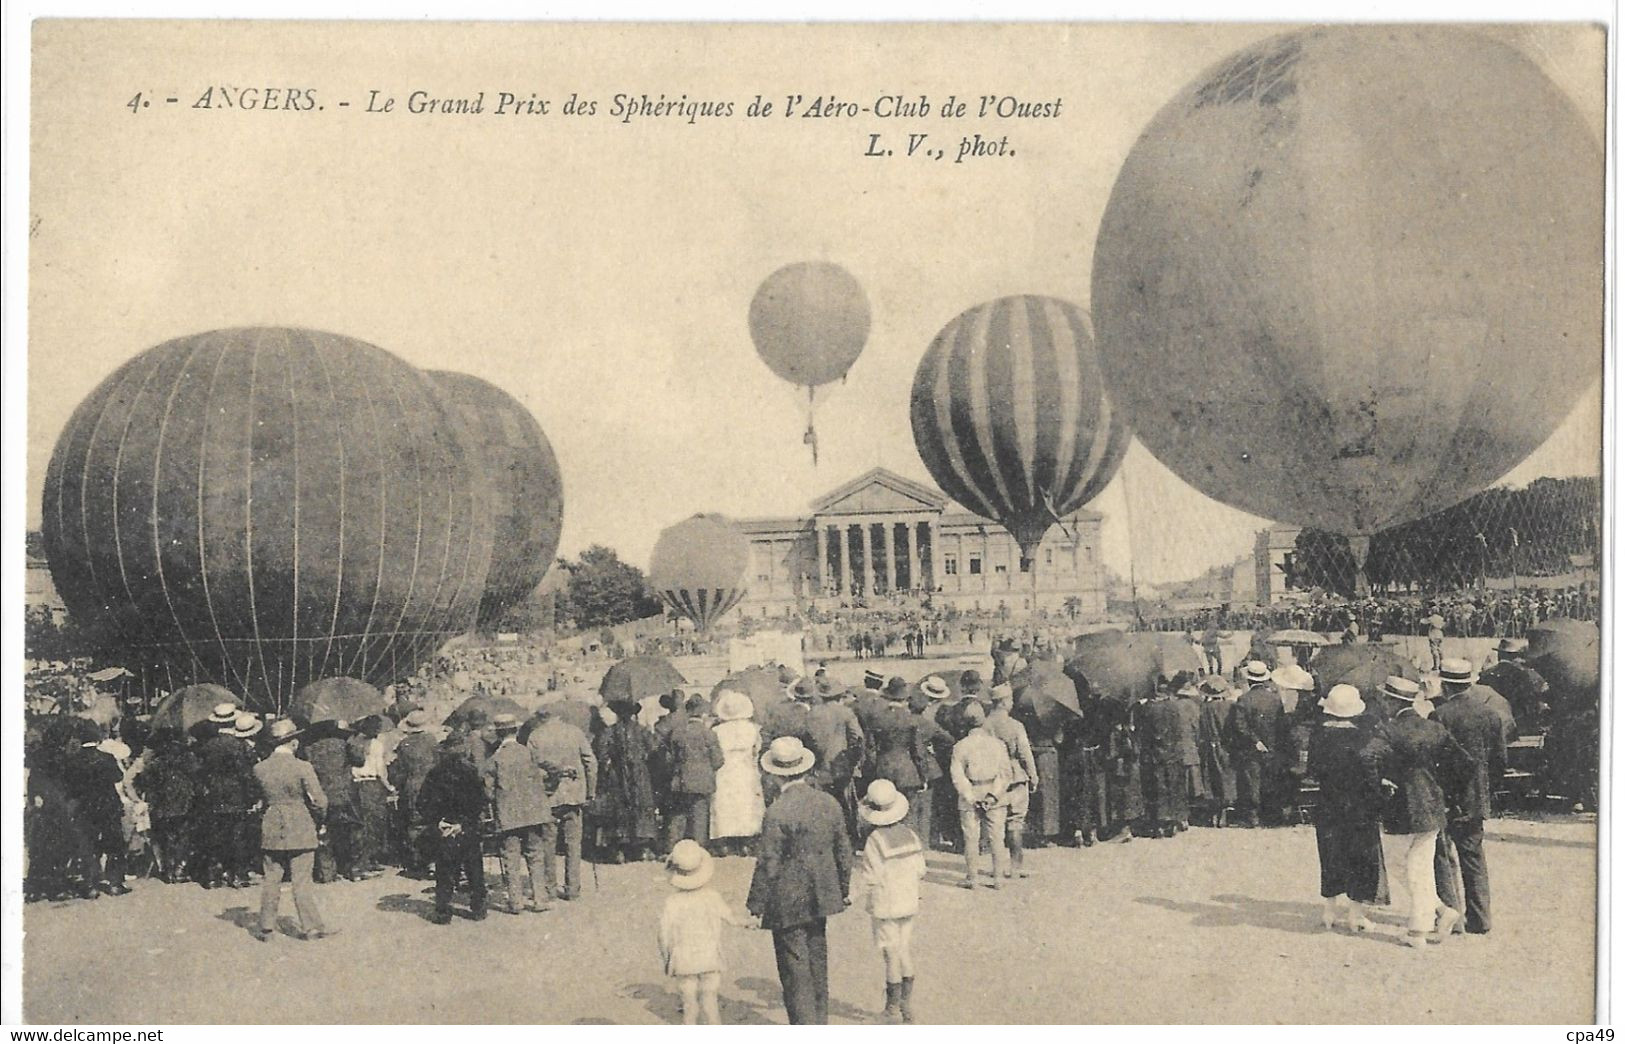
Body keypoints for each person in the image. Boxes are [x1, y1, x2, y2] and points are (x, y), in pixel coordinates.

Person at [747, 737, 852, 1025]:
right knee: (818, 958)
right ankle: (819, 1022)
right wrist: (843, 889)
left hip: (787, 899)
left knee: (795, 967)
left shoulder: (777, 811)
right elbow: (844, 850)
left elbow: (769, 862)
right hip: (823, 893)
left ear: (775, 773)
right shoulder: (829, 802)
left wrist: (755, 903)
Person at [1362, 677, 1471, 948]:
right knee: (1418, 865)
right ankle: (1441, 911)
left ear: (1392, 701)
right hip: (1432, 807)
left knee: (1405, 865)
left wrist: (1379, 785)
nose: (1383, 704)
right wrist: (1448, 794)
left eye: (1385, 699)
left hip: (1401, 808)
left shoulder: (1388, 730)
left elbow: (1366, 758)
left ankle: (1419, 930)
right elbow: (1465, 764)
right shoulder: (1433, 728)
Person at [1431, 658, 1508, 936]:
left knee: (1443, 855)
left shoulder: (1440, 715)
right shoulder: (1490, 714)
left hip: (1446, 795)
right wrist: (1485, 787)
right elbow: (1500, 760)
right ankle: (1480, 918)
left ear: (1445, 684)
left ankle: (1452, 915)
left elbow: (1435, 759)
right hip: (1476, 796)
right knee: (1474, 856)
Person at [1307, 685, 1388, 932]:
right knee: (1360, 857)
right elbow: (1372, 772)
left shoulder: (1319, 735)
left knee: (1331, 854)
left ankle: (1329, 911)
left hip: (1328, 803)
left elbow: (1312, 770)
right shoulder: (1364, 737)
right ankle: (1355, 915)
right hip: (1359, 807)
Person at [252, 720, 333, 942]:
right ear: (294, 742)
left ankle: (266, 927)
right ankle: (312, 927)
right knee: (301, 880)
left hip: (271, 823)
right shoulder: (303, 767)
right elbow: (319, 801)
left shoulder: (259, 768)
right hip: (300, 823)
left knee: (271, 878)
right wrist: (319, 820)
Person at [658, 839, 752, 1025]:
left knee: (689, 1005)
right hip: (709, 956)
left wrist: (667, 958)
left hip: (684, 959)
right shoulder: (712, 897)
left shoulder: (672, 902)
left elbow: (663, 934)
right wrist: (749, 922)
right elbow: (732, 919)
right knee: (710, 1004)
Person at [856, 780, 927, 1024]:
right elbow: (920, 869)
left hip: (886, 905)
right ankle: (908, 1006)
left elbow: (870, 876)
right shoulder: (910, 835)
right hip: (908, 902)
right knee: (904, 949)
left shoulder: (875, 840)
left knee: (890, 954)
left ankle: (892, 1009)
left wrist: (852, 895)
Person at [483, 713, 562, 914]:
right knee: (535, 855)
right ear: (515, 731)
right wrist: (547, 791)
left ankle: (516, 902)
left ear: (498, 734)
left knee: (511, 857)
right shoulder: (528, 753)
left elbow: (487, 790)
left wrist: (497, 799)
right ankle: (539, 899)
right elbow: (554, 769)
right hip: (534, 813)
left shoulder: (494, 760)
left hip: (508, 816)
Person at [527, 703, 598, 899]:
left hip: (548, 797)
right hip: (574, 795)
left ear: (542, 717)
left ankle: (549, 889)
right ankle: (572, 888)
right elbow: (591, 762)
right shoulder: (574, 732)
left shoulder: (535, 736)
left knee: (548, 843)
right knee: (573, 844)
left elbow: (530, 768)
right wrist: (590, 791)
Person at [418, 731, 489, 923]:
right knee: (474, 868)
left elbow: (422, 802)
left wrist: (437, 822)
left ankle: (443, 912)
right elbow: (480, 801)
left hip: (445, 826)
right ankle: (478, 909)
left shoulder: (434, 773)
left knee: (445, 870)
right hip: (467, 827)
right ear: (464, 750)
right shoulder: (472, 771)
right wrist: (464, 823)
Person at [61, 722, 131, 896]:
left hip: (84, 807)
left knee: (88, 844)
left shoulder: (72, 760)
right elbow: (118, 776)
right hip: (108, 806)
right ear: (96, 739)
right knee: (114, 843)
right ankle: (115, 883)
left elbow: (67, 785)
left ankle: (91, 885)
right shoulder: (106, 758)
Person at [193, 704, 259, 888]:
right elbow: (247, 774)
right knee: (237, 836)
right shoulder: (239, 746)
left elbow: (199, 772)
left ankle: (213, 876)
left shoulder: (206, 746)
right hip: (236, 797)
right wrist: (253, 796)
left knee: (215, 835)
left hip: (212, 796)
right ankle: (238, 874)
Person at [950, 703, 1012, 888]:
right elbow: (1005, 773)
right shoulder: (997, 744)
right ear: (984, 721)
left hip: (971, 793)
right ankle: (998, 878)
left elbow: (957, 775)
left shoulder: (960, 746)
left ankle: (973, 878)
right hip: (995, 792)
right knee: (997, 837)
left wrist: (970, 796)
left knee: (970, 837)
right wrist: (993, 795)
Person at [593, 701, 660, 863]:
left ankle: (620, 852)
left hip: (618, 775)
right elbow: (654, 749)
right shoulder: (642, 731)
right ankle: (642, 849)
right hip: (639, 774)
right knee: (641, 807)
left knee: (620, 809)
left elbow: (601, 754)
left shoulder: (609, 732)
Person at [985, 685, 1040, 875]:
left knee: (995, 823)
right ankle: (1016, 865)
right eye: (1010, 700)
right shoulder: (1015, 726)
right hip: (1015, 776)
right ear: (1003, 702)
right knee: (1015, 821)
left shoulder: (984, 725)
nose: (1012, 703)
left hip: (992, 778)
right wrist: (1033, 775)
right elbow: (1025, 754)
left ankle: (997, 866)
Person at [135, 726, 199, 883]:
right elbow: (197, 775)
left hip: (161, 804)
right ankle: (180, 868)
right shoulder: (187, 758)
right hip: (184, 801)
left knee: (165, 836)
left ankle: (168, 870)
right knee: (183, 834)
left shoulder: (154, 763)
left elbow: (144, 783)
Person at [302, 719, 362, 882]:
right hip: (345, 795)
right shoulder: (343, 744)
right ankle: (352, 869)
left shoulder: (310, 748)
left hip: (322, 795)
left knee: (324, 833)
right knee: (351, 831)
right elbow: (360, 760)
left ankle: (326, 872)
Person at [664, 695, 725, 850]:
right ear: (702, 712)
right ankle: (699, 849)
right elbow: (718, 760)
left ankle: (673, 847)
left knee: (678, 815)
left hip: (681, 780)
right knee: (700, 816)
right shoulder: (709, 734)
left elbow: (669, 759)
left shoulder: (677, 733)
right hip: (703, 780)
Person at [1228, 661, 1285, 828]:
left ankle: (1253, 816)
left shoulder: (1244, 699)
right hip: (1272, 745)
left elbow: (1239, 725)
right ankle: (1270, 815)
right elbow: (1281, 725)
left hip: (1251, 747)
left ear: (1249, 680)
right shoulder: (1275, 699)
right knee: (1269, 779)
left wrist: (1255, 740)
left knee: (1252, 780)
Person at [710, 690, 765, 856]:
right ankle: (746, 841)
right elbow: (757, 750)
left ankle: (726, 841)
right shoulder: (753, 729)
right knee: (746, 803)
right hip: (745, 769)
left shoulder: (717, 731)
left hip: (725, 771)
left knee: (725, 804)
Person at [389, 709, 440, 877]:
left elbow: (399, 771)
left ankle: (418, 862)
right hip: (431, 785)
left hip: (412, 786)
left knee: (414, 823)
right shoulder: (432, 741)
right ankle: (433, 862)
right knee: (432, 822)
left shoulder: (404, 745)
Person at [1134, 679, 1188, 839]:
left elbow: (1142, 733)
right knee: (1174, 786)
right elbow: (1178, 731)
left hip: (1154, 755)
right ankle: (1173, 820)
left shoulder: (1147, 709)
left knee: (1156, 788)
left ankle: (1158, 824)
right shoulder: (1174, 706)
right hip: (1173, 753)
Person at [347, 716, 395, 876]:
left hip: (355, 784)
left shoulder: (352, 742)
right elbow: (380, 770)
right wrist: (389, 786)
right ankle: (367, 862)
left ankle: (362, 861)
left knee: (360, 824)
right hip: (372, 785)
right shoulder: (376, 745)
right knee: (374, 824)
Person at [1195, 677, 1237, 827]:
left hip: (1209, 746)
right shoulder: (1230, 706)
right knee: (1226, 777)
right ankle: (1225, 812)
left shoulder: (1205, 708)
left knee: (1211, 778)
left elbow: (1200, 729)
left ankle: (1214, 812)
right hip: (1226, 746)